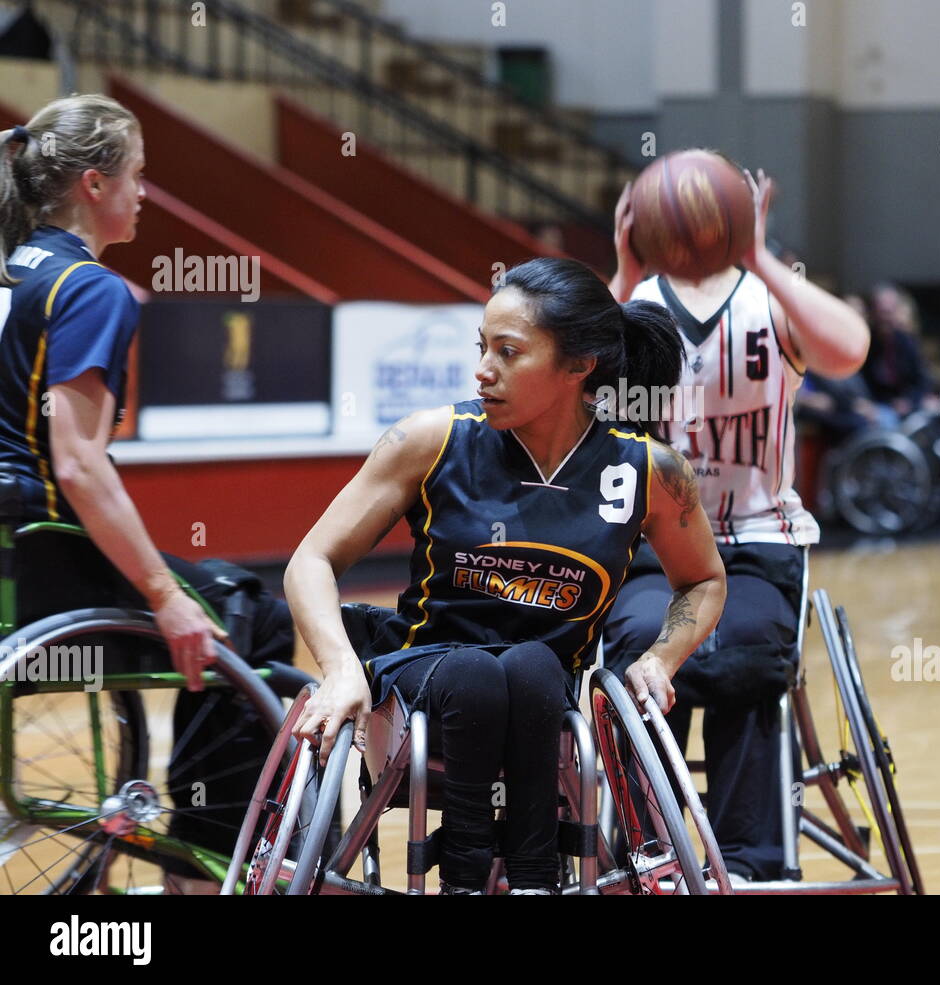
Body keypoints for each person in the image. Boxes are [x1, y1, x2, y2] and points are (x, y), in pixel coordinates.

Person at [285, 257, 726, 895]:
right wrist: (340, 668)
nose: (483, 370)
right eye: (482, 348)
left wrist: (663, 656)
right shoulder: (430, 439)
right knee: (476, 674)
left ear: (579, 367)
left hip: (541, 693)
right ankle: (465, 876)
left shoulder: (650, 470)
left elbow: (704, 580)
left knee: (531, 666)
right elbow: (312, 560)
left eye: (508, 352)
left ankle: (533, 878)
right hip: (421, 679)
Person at [0, 96, 295, 892]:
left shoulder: (11, 273)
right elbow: (80, 465)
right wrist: (165, 594)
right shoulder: (88, 287)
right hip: (44, 566)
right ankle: (202, 870)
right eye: (136, 175)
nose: (144, 193)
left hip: (10, 561)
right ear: (93, 185)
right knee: (244, 609)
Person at [605, 166, 869, 881]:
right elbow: (570, 376)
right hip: (653, 544)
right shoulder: (634, 306)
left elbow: (849, 349)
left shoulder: (767, 299)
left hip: (758, 539)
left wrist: (759, 255)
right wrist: (625, 269)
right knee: (632, 644)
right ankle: (647, 851)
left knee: (747, 649)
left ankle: (750, 865)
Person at [862, 284, 932, 426]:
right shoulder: (865, 343)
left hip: (905, 406)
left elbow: (923, 380)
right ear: (873, 313)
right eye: (882, 312)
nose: (886, 318)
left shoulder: (906, 342)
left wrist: (909, 402)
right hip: (875, 407)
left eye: (890, 312)